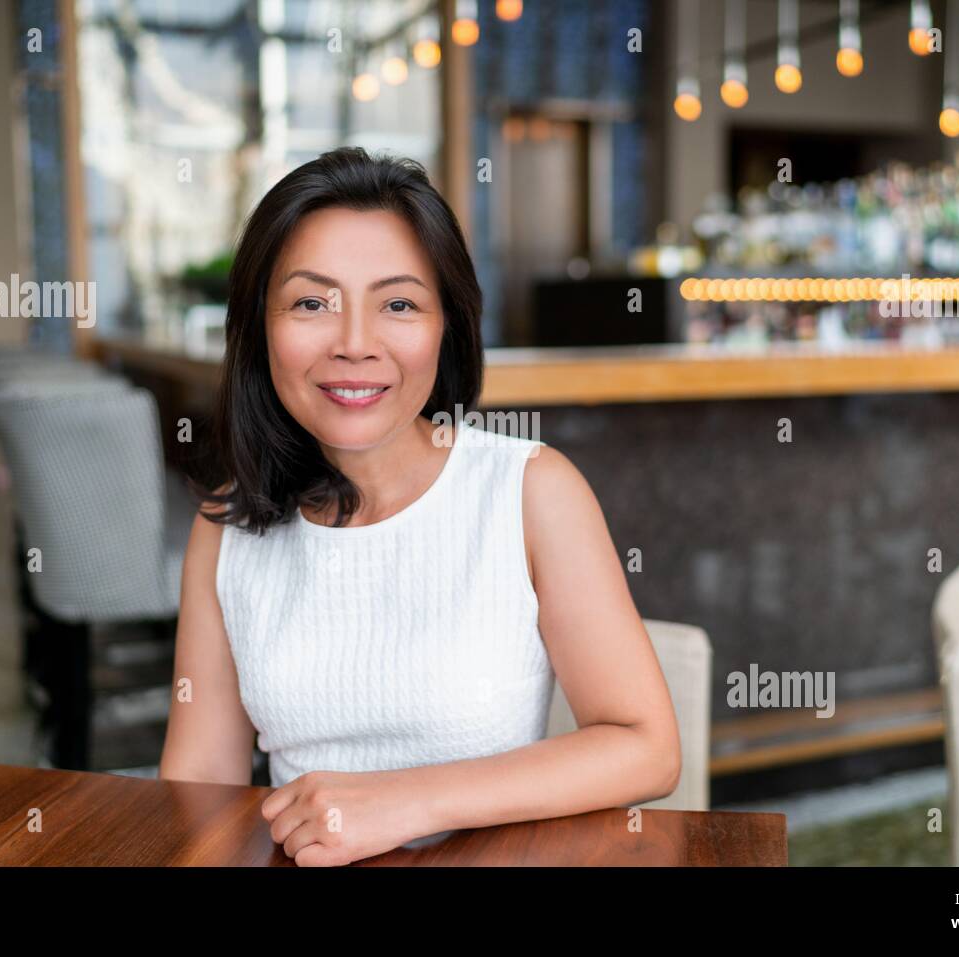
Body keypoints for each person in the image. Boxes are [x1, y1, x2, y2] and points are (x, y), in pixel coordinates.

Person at [159, 146, 680, 866]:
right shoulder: (229, 526)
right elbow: (199, 789)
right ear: (259, 328)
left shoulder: (530, 491)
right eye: (312, 302)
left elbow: (645, 747)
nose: (354, 344)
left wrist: (408, 799)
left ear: (447, 325)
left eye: (398, 303)